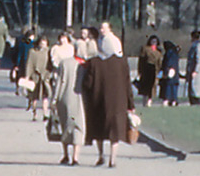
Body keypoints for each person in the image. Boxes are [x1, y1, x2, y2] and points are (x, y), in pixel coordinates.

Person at [80, 28, 135, 167]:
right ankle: (113, 158)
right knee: (115, 131)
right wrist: (131, 104)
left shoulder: (94, 62)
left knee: (99, 130)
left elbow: (87, 83)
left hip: (98, 100)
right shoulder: (122, 62)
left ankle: (101, 155)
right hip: (118, 102)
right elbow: (127, 84)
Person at [48, 34, 85, 166]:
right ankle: (75, 157)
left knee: (65, 126)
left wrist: (54, 98)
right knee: (78, 127)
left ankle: (65, 155)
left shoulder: (65, 63)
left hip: (65, 97)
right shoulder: (84, 65)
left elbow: (60, 82)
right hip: (80, 98)